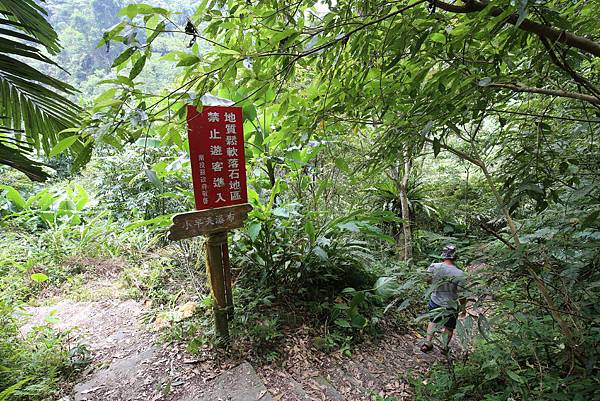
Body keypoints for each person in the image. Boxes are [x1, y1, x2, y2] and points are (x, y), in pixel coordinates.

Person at [420, 244, 466, 353]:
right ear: (455, 257)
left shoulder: (434, 267)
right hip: (451, 305)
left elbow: (427, 281)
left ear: (443, 255)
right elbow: (461, 293)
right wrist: (463, 307)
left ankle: (427, 343)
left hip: (435, 300)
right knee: (449, 327)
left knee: (433, 321)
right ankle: (444, 347)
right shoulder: (460, 273)